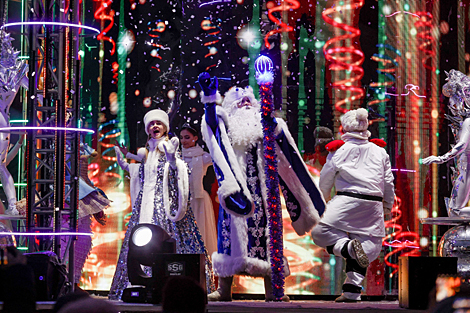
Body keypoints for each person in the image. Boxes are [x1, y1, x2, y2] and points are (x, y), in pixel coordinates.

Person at [198, 72, 325, 301]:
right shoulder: (227, 127)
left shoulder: (265, 125)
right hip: (237, 195)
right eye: (241, 101)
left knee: (270, 240)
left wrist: (266, 94)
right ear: (231, 108)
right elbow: (211, 125)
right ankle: (225, 289)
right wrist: (209, 97)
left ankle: (274, 290)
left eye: (249, 100)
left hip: (265, 196)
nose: (246, 103)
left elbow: (280, 137)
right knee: (229, 240)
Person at [109, 109, 214, 300]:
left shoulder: (169, 146)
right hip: (144, 204)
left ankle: (173, 285)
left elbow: (180, 172)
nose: (154, 126)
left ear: (165, 127)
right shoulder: (147, 150)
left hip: (165, 204)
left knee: (166, 241)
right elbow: (142, 172)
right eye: (151, 124)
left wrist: (173, 160)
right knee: (139, 242)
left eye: (158, 123)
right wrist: (125, 164)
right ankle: (139, 282)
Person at [310, 108, 395, 302]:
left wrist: (321, 202)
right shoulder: (380, 151)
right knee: (370, 246)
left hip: (346, 201)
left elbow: (326, 178)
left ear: (345, 128)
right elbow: (388, 182)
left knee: (320, 233)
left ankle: (347, 248)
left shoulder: (339, 150)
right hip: (373, 203)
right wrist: (387, 205)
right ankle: (351, 290)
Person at [422, 69, 470, 216]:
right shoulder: (465, 121)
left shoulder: (468, 121)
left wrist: (441, 158)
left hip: (466, 170)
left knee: (455, 211)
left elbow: (462, 144)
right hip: (463, 169)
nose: (451, 103)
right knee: (454, 210)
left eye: (453, 98)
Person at [0, 30, 29, 215]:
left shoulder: (15, 71)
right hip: (4, 122)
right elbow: (36, 92)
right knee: (1, 167)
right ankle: (12, 205)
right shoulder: (17, 70)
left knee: (1, 167)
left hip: (3, 121)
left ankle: (12, 205)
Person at [180, 123, 217, 256]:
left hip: (199, 199)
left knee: (200, 231)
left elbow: (218, 158)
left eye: (187, 137)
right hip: (181, 201)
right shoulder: (177, 157)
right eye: (182, 137)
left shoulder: (203, 157)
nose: (184, 141)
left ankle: (202, 261)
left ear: (195, 138)